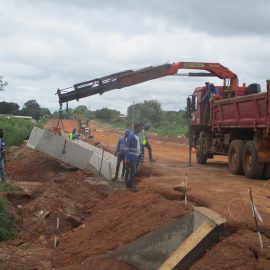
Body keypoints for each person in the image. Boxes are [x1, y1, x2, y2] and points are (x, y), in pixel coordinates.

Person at [124, 124, 142, 192]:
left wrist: (140, 155)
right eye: (140, 128)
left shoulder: (138, 136)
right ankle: (131, 186)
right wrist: (127, 158)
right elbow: (126, 148)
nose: (140, 129)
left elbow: (139, 146)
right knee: (133, 172)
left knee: (134, 172)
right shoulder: (131, 136)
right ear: (136, 128)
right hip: (132, 157)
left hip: (137, 156)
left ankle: (129, 184)